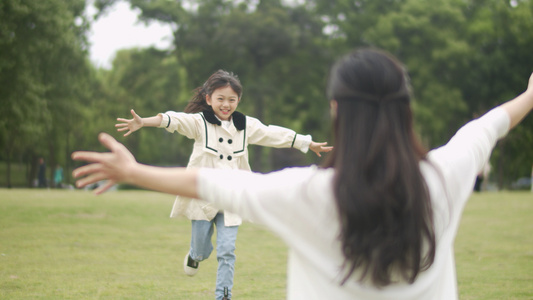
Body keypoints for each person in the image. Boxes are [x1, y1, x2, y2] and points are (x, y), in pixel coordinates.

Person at [72, 48, 533, 299]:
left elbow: (205, 182)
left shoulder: (306, 192)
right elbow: (488, 126)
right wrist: (530, 95)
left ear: (336, 109)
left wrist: (133, 171)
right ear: (405, 108)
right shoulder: (446, 175)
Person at [114, 70, 332, 300]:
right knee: (201, 249)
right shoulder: (199, 123)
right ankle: (195, 255)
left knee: (227, 251)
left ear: (239, 100)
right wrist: (143, 122)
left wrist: (307, 143)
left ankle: (224, 296)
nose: (226, 104)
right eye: (220, 98)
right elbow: (173, 120)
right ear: (209, 99)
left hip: (232, 196)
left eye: (231, 99)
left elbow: (272, 134)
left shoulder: (245, 125)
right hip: (202, 196)